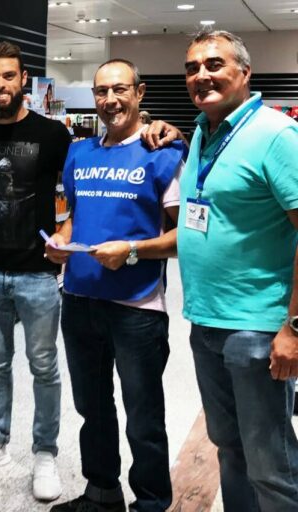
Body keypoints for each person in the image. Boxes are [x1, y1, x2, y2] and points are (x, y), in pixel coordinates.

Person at [145, 29, 298, 510]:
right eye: (192, 68)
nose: (201, 75)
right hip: (206, 322)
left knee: (272, 465)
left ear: (245, 73)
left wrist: (293, 327)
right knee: (230, 450)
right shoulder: (202, 131)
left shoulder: (275, 134)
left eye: (214, 64)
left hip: (257, 327)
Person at [46, 59, 185, 512]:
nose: (110, 101)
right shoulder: (80, 153)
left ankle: (150, 502)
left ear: (140, 92)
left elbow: (184, 237)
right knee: (93, 407)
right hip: (80, 299)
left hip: (138, 308)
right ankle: (101, 492)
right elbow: (72, 219)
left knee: (143, 416)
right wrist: (62, 242)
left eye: (120, 90)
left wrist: (130, 250)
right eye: (102, 92)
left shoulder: (163, 153)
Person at [0, 41, 71, 502]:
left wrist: (67, 231)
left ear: (25, 80)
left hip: (38, 273)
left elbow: (79, 188)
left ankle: (45, 452)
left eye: (8, 76)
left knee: (44, 366)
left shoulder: (53, 134)